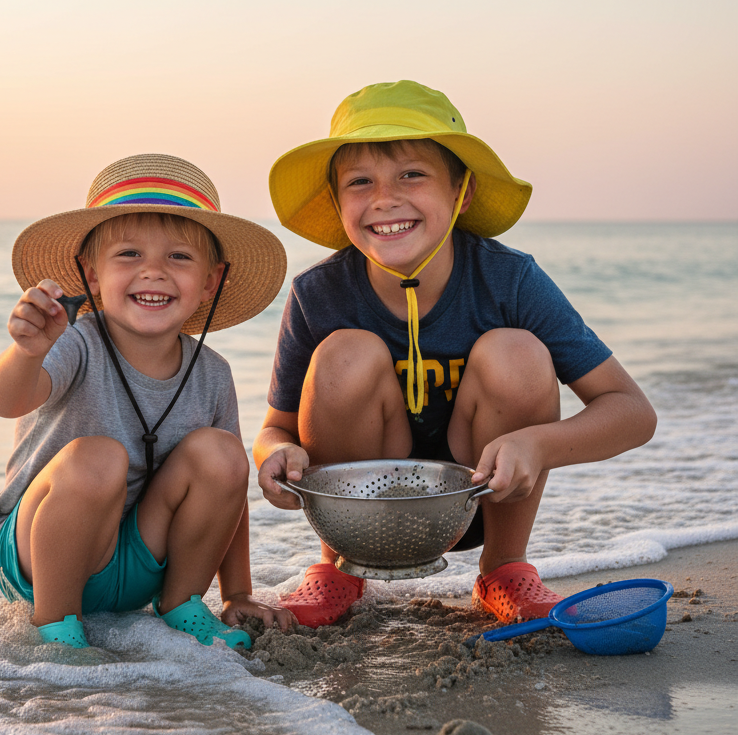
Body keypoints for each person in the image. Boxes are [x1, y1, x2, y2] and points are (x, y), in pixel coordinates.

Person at [254, 81, 657, 627]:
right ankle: (338, 572)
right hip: (367, 513)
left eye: (412, 175)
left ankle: (504, 570)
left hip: (484, 494)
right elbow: (274, 428)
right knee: (346, 351)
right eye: (359, 182)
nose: (384, 198)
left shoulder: (508, 279)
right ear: (336, 201)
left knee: (515, 351)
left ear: (461, 193)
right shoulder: (318, 293)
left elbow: (632, 412)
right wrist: (277, 456)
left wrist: (538, 445)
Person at [0, 153, 294, 650]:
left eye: (179, 257)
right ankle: (57, 628)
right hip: (40, 556)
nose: (154, 272)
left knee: (223, 453)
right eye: (128, 255)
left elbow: (229, 492)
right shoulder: (76, 342)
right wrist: (26, 351)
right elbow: (6, 400)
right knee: (99, 457)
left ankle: (182, 604)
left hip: (142, 564)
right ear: (92, 275)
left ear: (211, 281)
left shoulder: (213, 373)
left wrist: (238, 592)